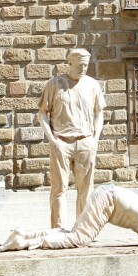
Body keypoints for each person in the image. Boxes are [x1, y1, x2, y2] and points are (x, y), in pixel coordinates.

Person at [39, 48, 106, 229]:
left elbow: (99, 113)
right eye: (80, 65)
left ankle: (83, 229)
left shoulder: (92, 85)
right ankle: (58, 229)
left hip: (85, 141)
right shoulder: (54, 84)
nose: (84, 68)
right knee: (59, 189)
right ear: (70, 64)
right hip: (61, 141)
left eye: (86, 65)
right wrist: (53, 141)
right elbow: (42, 114)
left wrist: (94, 140)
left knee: (86, 190)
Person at [0, 184, 138, 251]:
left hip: (107, 193)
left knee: (74, 233)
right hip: (110, 200)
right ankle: (25, 243)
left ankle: (25, 235)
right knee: (80, 239)